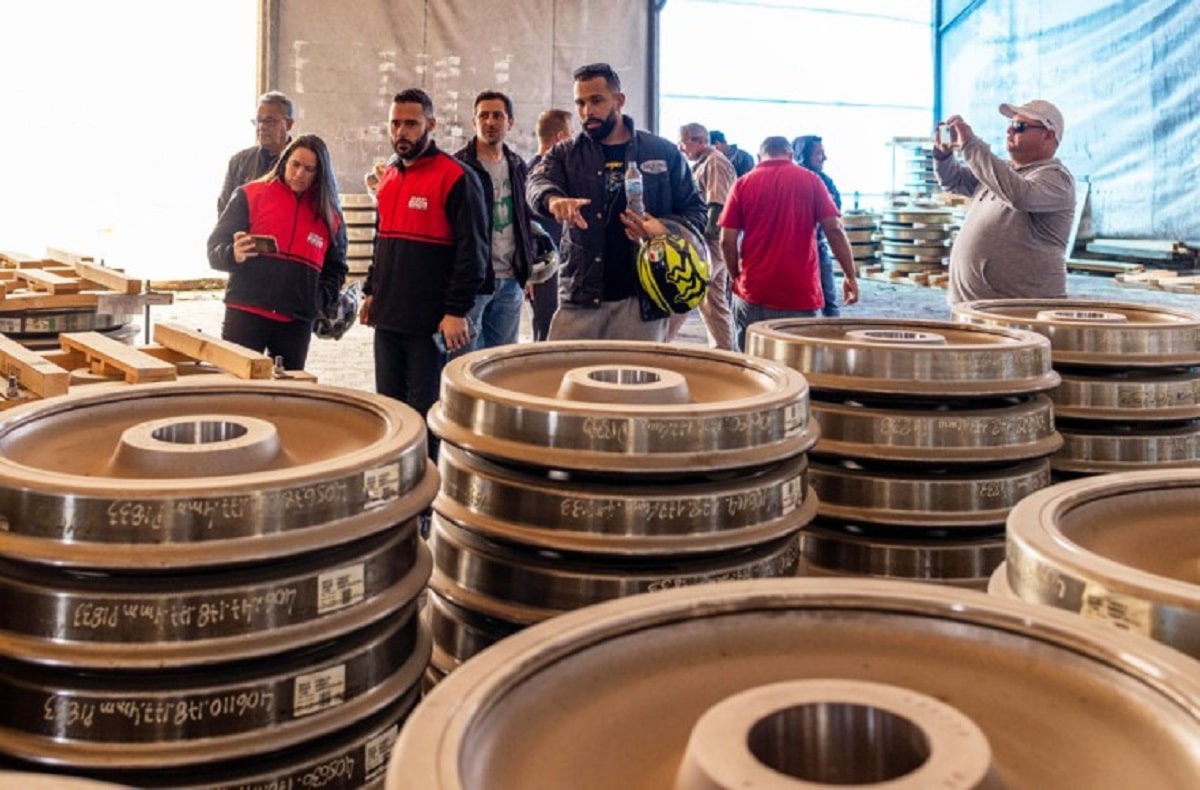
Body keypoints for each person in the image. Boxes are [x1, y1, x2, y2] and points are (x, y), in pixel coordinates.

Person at [527, 62, 706, 341]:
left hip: (642, 301)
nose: (588, 112)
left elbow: (696, 212)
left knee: (635, 382)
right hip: (580, 298)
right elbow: (536, 183)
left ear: (619, 101)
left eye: (596, 100)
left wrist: (663, 229)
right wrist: (552, 200)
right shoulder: (566, 153)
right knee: (564, 381)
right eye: (580, 103)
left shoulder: (662, 152)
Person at [359, 88, 488, 458]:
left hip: (430, 324)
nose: (402, 132)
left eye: (411, 124)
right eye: (396, 123)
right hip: (388, 318)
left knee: (425, 414)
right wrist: (372, 291)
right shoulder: (389, 178)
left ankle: (427, 504)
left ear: (430, 125)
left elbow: (473, 253)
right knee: (390, 410)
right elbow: (381, 240)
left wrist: (456, 310)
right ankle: (396, 493)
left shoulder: (456, 177)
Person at [207, 134, 348, 370]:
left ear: (320, 174)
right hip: (245, 313)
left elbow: (337, 269)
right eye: (295, 164)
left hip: (295, 323)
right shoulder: (249, 195)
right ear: (284, 161)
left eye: (309, 169)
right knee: (236, 393)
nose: (299, 174)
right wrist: (234, 254)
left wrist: (317, 299)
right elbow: (214, 249)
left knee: (288, 398)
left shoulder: (330, 218)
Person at [719, 136, 859, 351]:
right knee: (797, 366)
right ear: (791, 155)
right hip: (799, 293)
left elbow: (727, 241)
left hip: (754, 291)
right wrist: (849, 275)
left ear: (759, 157)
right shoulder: (812, 181)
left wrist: (735, 276)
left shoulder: (742, 184)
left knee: (751, 365)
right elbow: (834, 230)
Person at [934, 100, 1076, 304]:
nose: (1010, 131)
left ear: (1048, 135)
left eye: (1019, 127)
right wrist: (943, 154)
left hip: (1020, 311)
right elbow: (952, 180)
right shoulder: (1002, 172)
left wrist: (970, 144)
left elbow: (1019, 196)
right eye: (1009, 125)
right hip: (974, 307)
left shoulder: (1057, 179)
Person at [451, 91, 535, 351]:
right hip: (472, 285)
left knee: (502, 362)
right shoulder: (457, 168)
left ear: (509, 122)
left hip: (510, 283)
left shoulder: (519, 167)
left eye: (497, 115)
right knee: (463, 364)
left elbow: (523, 221)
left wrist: (527, 272)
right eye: (483, 115)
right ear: (473, 121)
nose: (490, 122)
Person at [669, 122, 735, 349]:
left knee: (686, 290)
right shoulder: (703, 163)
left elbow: (717, 204)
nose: (680, 147)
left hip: (712, 242)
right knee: (713, 302)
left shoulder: (715, 162)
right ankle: (725, 353)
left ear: (701, 141)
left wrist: (700, 243)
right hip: (711, 242)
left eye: (683, 142)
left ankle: (658, 342)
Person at [526, 108, 574, 341]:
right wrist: (530, 274)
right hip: (544, 270)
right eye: (571, 135)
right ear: (561, 137)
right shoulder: (531, 174)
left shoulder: (560, 174)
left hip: (563, 265)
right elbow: (524, 226)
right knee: (546, 333)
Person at [218, 91, 295, 216]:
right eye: (258, 121)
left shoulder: (302, 164)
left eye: (269, 121)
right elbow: (224, 211)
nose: (262, 127)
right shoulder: (239, 162)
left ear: (289, 124)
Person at [793, 134, 842, 317]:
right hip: (793, 250)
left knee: (829, 300)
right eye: (818, 153)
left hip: (818, 247)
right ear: (802, 156)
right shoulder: (793, 181)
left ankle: (833, 339)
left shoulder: (825, 182)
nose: (824, 157)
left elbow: (835, 217)